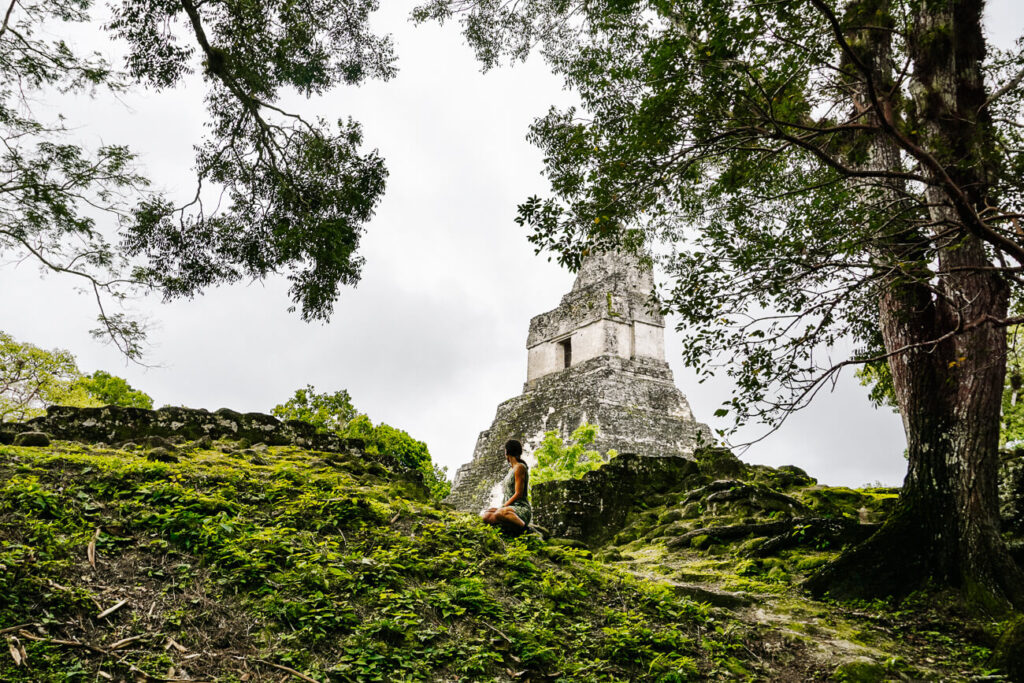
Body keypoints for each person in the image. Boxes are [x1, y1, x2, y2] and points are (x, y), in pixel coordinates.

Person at [481, 439, 531, 535]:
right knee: (486, 516)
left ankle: (525, 529)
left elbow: (518, 493)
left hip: (520, 508)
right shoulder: (511, 470)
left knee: (500, 513)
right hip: (508, 508)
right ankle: (510, 530)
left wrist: (503, 506)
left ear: (507, 452)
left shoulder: (519, 467)